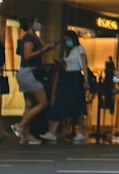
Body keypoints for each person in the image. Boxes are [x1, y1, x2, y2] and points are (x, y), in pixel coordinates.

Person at [11, 16, 56, 145]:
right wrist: (43, 50)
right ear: (31, 24)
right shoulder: (28, 38)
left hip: (27, 73)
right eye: (36, 22)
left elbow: (43, 45)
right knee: (43, 102)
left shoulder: (33, 36)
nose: (38, 24)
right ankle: (20, 126)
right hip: (28, 73)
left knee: (30, 104)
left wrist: (47, 47)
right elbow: (27, 55)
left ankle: (25, 134)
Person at [47, 30, 89, 143]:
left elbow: (84, 65)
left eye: (68, 40)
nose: (67, 42)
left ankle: (80, 132)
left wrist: (86, 80)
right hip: (67, 76)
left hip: (75, 77)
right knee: (61, 102)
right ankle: (53, 131)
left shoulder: (80, 49)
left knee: (77, 104)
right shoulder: (68, 51)